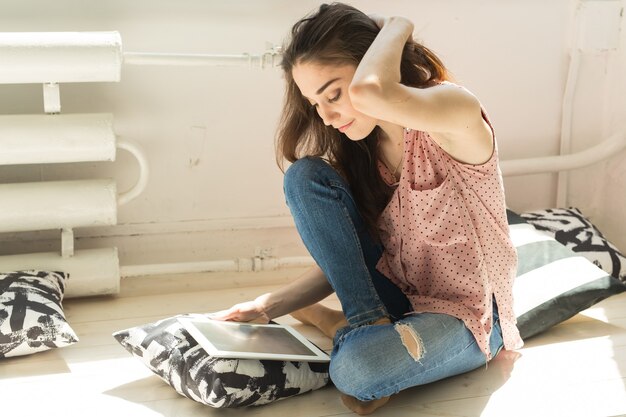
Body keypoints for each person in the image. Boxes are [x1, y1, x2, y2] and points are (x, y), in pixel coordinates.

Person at [212, 2, 523, 414]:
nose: (326, 117)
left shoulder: (454, 111)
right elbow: (352, 261)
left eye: (335, 94)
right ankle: (365, 324)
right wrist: (269, 306)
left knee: (358, 372)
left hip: (472, 319)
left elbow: (374, 94)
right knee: (303, 175)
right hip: (394, 301)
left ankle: (342, 327)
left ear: (372, 68)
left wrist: (396, 25)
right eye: (315, 104)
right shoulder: (363, 153)